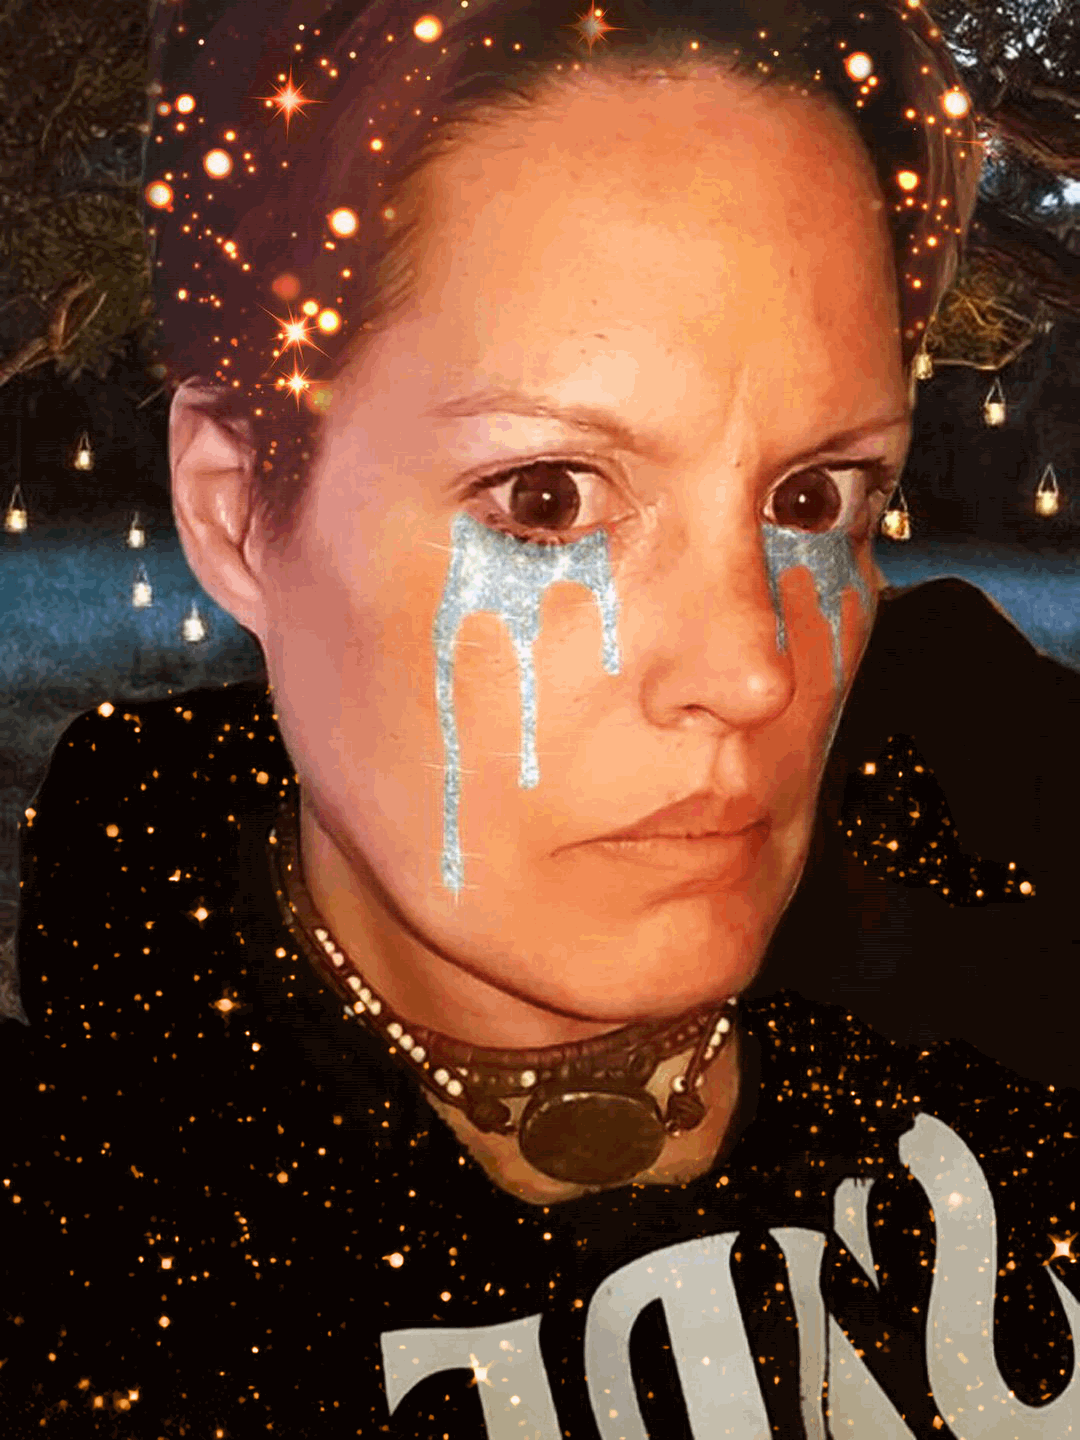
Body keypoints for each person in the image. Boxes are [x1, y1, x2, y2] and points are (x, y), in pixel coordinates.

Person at [1, 0, 1076, 1435]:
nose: (752, 672)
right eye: (547, 499)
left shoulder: (1011, 892)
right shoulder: (92, 1252)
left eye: (813, 497)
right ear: (238, 512)